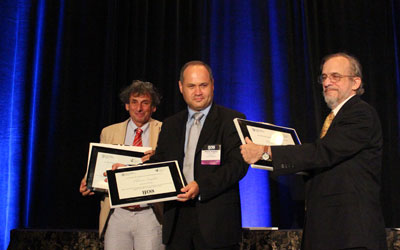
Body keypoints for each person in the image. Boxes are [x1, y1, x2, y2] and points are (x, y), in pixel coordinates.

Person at [240, 53, 387, 250]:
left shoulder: (361, 114)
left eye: (335, 76)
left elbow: (323, 152)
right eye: (324, 77)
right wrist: (265, 155)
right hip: (331, 231)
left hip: (351, 234)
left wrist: (266, 151)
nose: (327, 82)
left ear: (355, 82)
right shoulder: (335, 118)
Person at [151, 61, 249, 250]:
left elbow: (237, 166)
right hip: (177, 221)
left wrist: (201, 186)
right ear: (181, 87)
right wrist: (127, 172)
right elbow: (160, 163)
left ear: (212, 84)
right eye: (191, 86)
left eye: (203, 85)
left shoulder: (232, 120)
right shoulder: (170, 125)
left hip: (216, 224)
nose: (198, 92)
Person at [79, 80, 164, 250]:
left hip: (149, 213)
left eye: (145, 103)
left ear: (153, 107)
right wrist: (89, 181)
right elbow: (101, 167)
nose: (139, 108)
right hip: (117, 213)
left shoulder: (165, 131)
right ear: (127, 105)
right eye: (134, 102)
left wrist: (157, 158)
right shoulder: (109, 132)